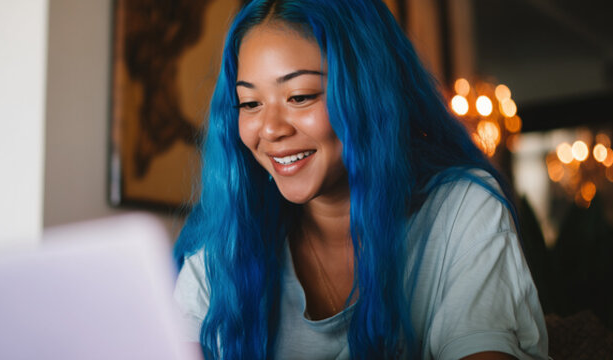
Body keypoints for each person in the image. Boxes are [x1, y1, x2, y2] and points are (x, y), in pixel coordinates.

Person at [172, 0, 548, 359]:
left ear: (368, 95)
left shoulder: (460, 209)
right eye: (251, 103)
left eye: (300, 96)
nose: (270, 129)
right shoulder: (226, 240)